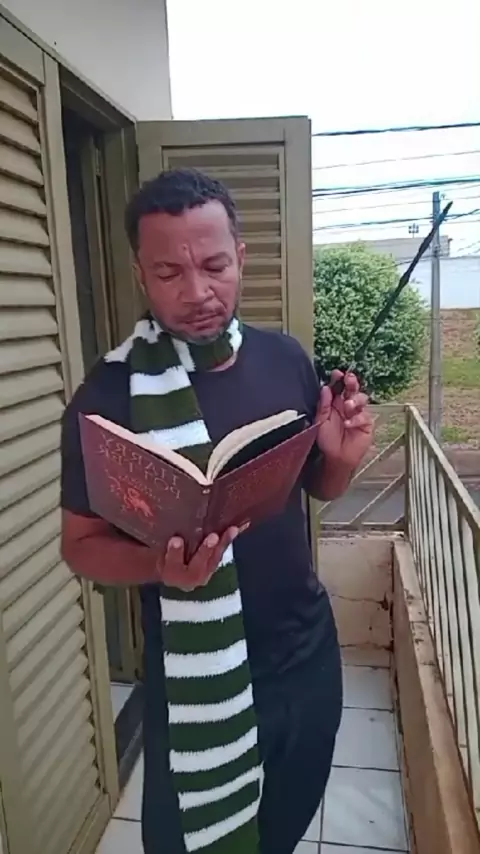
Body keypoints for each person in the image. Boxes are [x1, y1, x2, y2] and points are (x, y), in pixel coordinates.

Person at [61, 169, 373, 854]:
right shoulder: (107, 397)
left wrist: (341, 458)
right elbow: (80, 546)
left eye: (214, 265)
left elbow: (319, 490)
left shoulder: (285, 359)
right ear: (141, 274)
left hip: (304, 654)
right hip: (191, 676)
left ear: (241, 257)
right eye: (169, 272)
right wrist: (159, 567)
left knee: (283, 828)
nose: (198, 291)